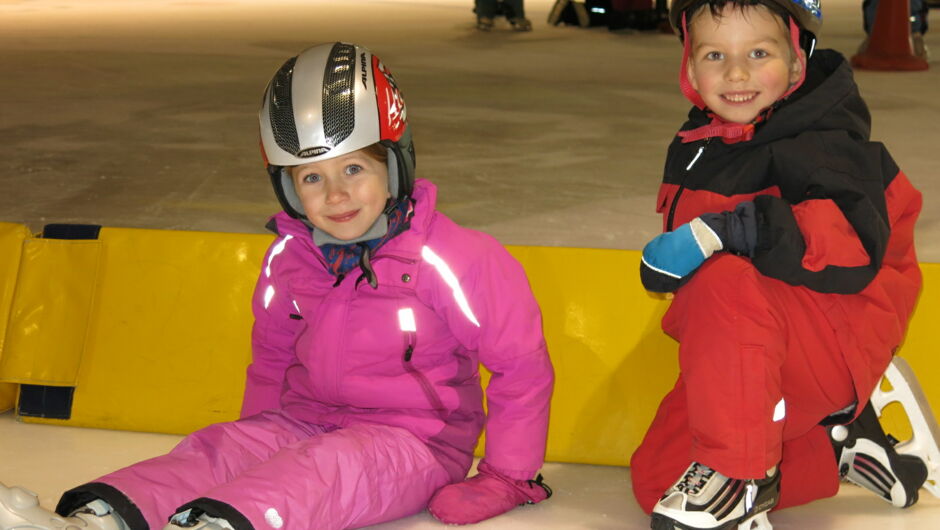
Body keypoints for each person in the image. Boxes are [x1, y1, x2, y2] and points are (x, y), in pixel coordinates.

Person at [0, 42, 554, 530]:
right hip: (303, 421)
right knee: (214, 449)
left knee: (321, 470)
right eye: (312, 178)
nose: (335, 196)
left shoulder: (456, 258)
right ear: (287, 188)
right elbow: (270, 359)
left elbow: (520, 368)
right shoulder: (289, 259)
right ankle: (93, 520)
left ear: (396, 162)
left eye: (354, 170)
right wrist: (246, 448)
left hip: (413, 443)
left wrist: (506, 477)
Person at [629, 0, 935, 528]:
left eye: (759, 52)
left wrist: (725, 232)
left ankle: (740, 476)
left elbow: (852, 243)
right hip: (752, 354)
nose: (736, 72)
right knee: (658, 483)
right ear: (689, 66)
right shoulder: (701, 144)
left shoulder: (824, 139)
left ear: (796, 62)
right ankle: (836, 447)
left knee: (720, 277)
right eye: (714, 54)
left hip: (837, 329)